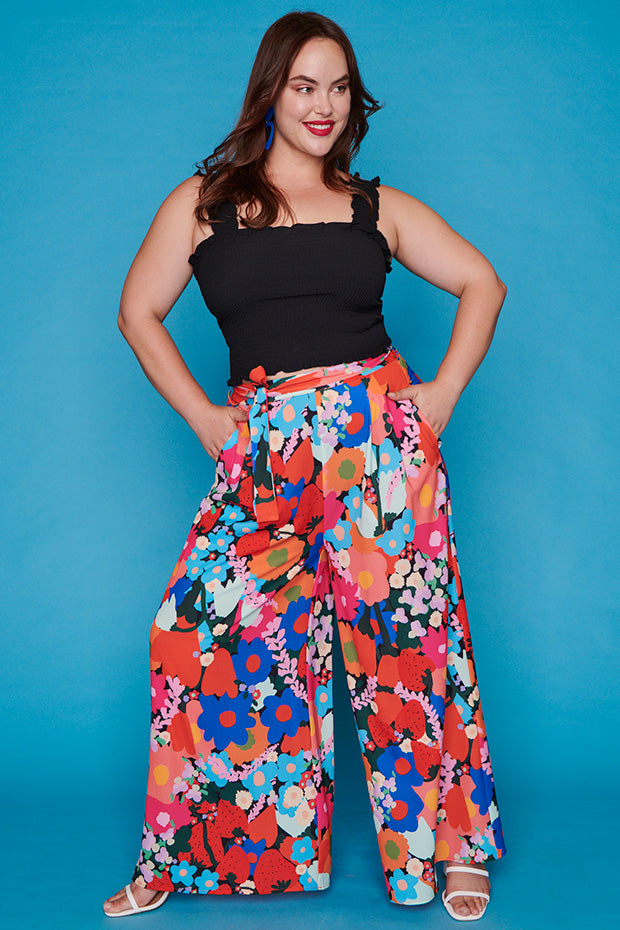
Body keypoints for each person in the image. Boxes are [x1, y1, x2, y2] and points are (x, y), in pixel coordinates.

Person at [103, 10, 507, 922]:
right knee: (195, 634)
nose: (323, 105)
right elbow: (137, 312)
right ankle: (193, 851)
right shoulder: (203, 203)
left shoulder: (375, 207)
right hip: (267, 453)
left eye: (338, 88)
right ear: (270, 94)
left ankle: (453, 849)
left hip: (379, 450)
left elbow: (483, 281)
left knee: (410, 648)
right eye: (304, 86)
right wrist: (204, 417)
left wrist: (441, 393)